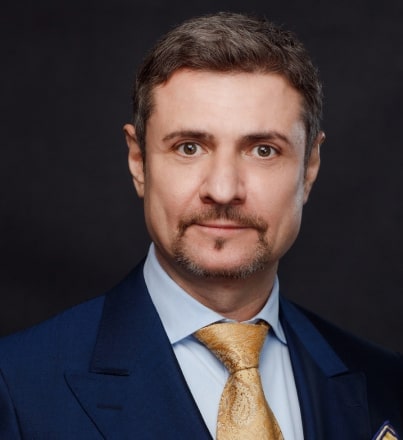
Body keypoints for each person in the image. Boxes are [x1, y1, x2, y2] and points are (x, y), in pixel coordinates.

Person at [0, 12, 401, 440]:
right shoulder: (16, 386)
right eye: (189, 147)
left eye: (263, 150)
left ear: (310, 167)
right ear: (138, 161)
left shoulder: (389, 385)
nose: (223, 190)